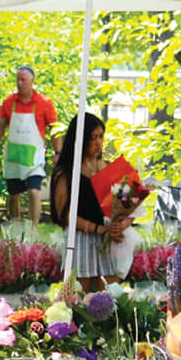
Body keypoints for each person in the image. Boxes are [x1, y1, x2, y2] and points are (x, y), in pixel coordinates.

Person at [51, 112, 129, 291]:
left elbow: (130, 208)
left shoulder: (110, 169)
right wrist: (96, 228)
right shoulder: (65, 172)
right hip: (79, 240)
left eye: (101, 137)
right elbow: (65, 215)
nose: (98, 142)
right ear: (80, 138)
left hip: (108, 240)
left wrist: (121, 226)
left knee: (110, 297)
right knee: (79, 297)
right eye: (93, 137)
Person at [0, 66, 58, 226]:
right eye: (17, 79)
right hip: (14, 157)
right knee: (13, 195)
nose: (19, 83)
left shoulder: (45, 103)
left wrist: (58, 152)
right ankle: (15, 227)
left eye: (23, 79)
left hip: (34, 157)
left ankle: (33, 229)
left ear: (32, 81)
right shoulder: (9, 103)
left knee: (33, 191)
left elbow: (54, 130)